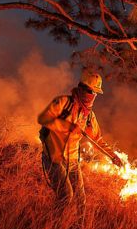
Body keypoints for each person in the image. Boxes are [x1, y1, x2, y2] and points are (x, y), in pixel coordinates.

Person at [38, 71, 123, 214]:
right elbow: (44, 119)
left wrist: (113, 156)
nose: (93, 96)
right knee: (66, 197)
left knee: (81, 201)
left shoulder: (88, 115)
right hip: (54, 159)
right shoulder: (63, 103)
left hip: (73, 162)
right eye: (91, 91)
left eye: (96, 93)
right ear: (82, 88)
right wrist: (69, 127)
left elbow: (97, 139)